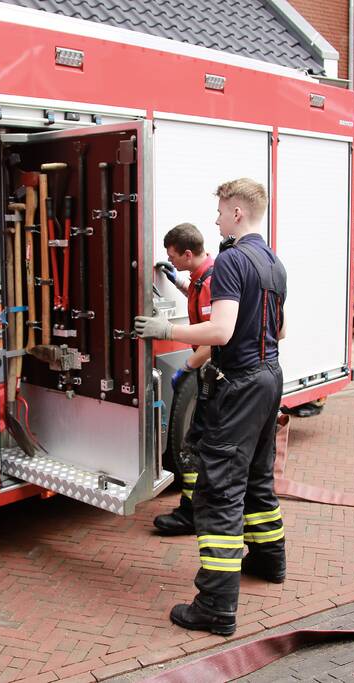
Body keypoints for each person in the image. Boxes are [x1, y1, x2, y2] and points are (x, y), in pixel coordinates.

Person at [134, 178, 287, 636]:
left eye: (220, 211)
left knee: (220, 490)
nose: (216, 219)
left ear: (237, 213)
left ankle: (216, 607)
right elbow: (279, 332)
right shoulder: (273, 262)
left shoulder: (231, 261)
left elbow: (220, 331)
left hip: (238, 384)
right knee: (258, 476)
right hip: (269, 377)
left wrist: (166, 329)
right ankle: (268, 561)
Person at [152, 222, 215, 535]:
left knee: (196, 444)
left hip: (212, 373)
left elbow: (212, 339)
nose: (170, 259)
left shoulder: (213, 280)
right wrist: (174, 278)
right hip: (210, 373)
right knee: (196, 443)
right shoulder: (201, 276)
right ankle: (191, 509)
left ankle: (192, 513)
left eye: (173, 256)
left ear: (188, 253)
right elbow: (195, 293)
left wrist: (186, 368)